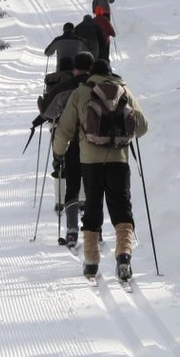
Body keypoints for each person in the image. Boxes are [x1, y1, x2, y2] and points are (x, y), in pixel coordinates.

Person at [52, 58, 149, 282]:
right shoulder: (123, 90)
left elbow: (65, 129)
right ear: (111, 73)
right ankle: (124, 256)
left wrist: (59, 153)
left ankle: (92, 261)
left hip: (90, 161)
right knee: (122, 208)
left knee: (93, 207)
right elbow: (143, 126)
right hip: (119, 159)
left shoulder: (81, 93)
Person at [36, 52, 94, 248]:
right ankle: (96, 231)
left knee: (72, 184)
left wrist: (58, 152)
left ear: (74, 69)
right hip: (97, 143)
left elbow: (48, 112)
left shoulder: (64, 88)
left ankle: (71, 229)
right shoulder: (99, 86)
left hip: (72, 142)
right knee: (95, 187)